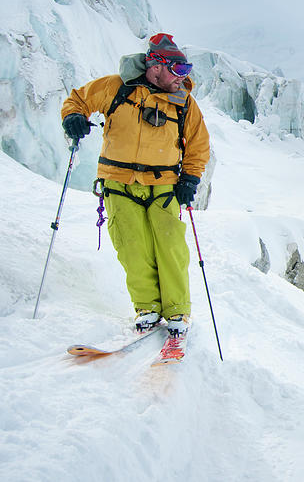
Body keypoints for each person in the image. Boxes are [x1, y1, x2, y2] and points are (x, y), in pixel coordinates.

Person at [61, 33, 210, 337]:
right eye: (177, 70)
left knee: (170, 247)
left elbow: (198, 144)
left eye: (185, 71)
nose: (183, 78)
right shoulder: (115, 88)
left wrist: (190, 179)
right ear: (156, 66)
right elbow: (78, 99)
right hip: (118, 184)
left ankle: (177, 310)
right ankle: (147, 308)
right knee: (132, 247)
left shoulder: (184, 102)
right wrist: (73, 117)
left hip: (164, 186)